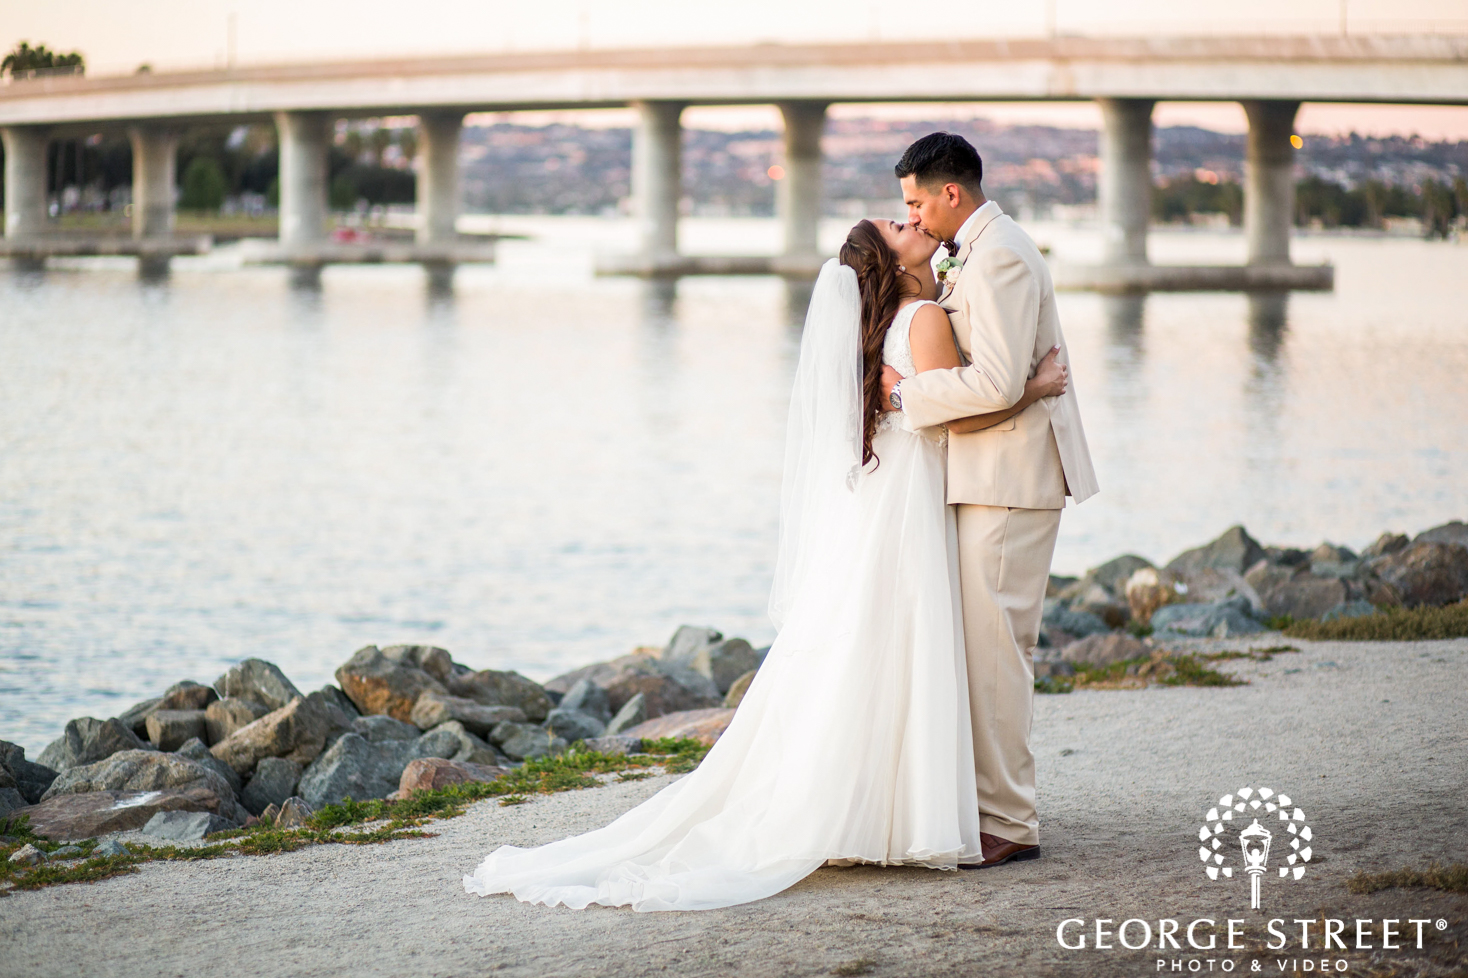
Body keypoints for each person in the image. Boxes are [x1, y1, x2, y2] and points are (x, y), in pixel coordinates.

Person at [461, 208, 1069, 911]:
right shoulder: (926, 319)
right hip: (910, 496)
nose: (912, 221)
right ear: (894, 264)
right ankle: (900, 810)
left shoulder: (882, 328)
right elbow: (959, 414)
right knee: (904, 640)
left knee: (861, 645)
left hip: (877, 496)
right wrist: (1035, 387)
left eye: (910, 214)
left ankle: (856, 803)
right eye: (899, 227)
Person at [882, 133, 1098, 868]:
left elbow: (999, 382)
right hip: (992, 475)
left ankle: (1009, 820)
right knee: (987, 651)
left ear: (952, 193)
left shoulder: (1000, 253)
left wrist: (903, 393)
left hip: (1010, 480)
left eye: (914, 201)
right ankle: (993, 807)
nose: (910, 215)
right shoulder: (977, 251)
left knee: (995, 655)